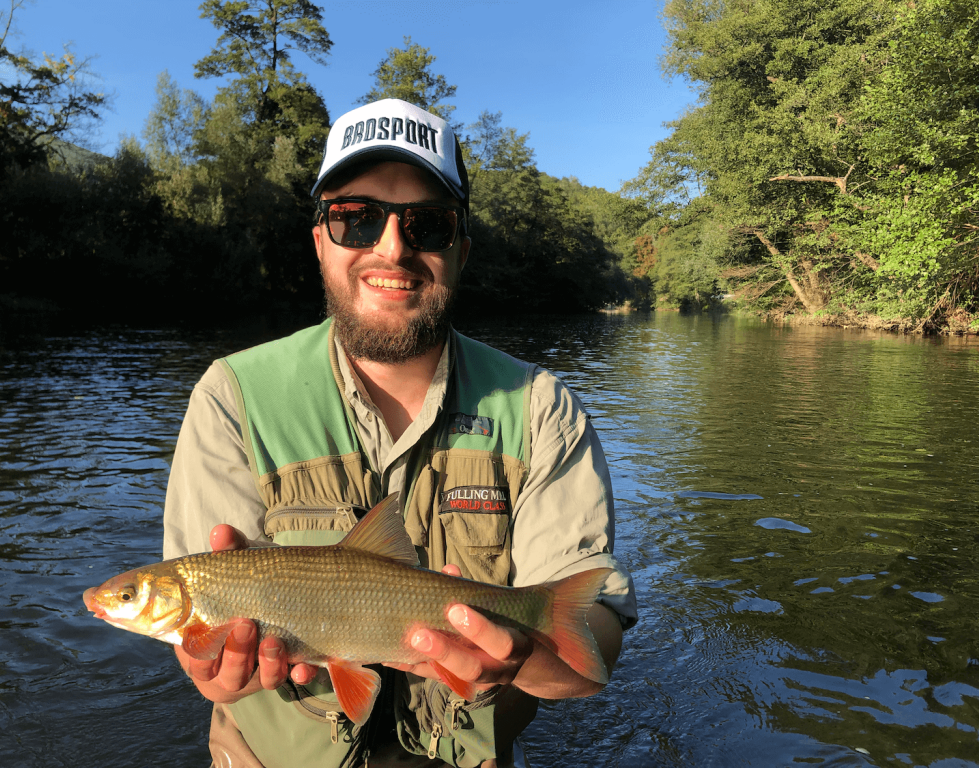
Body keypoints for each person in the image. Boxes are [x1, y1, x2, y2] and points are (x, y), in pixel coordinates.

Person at [162, 98, 637, 768]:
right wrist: (211, 669)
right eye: (356, 219)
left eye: (427, 224)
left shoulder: (542, 409)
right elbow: (205, 663)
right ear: (320, 239)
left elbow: (588, 662)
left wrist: (526, 656)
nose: (392, 248)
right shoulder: (231, 397)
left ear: (461, 251)